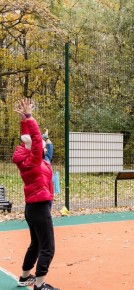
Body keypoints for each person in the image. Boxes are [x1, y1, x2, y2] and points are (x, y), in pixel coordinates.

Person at [12, 98, 59, 290]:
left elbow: (29, 140)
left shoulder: (27, 160)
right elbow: (37, 140)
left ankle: (24, 277)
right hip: (39, 207)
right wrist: (30, 117)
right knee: (48, 247)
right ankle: (40, 285)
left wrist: (24, 120)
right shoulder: (33, 161)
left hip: (33, 207)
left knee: (36, 244)